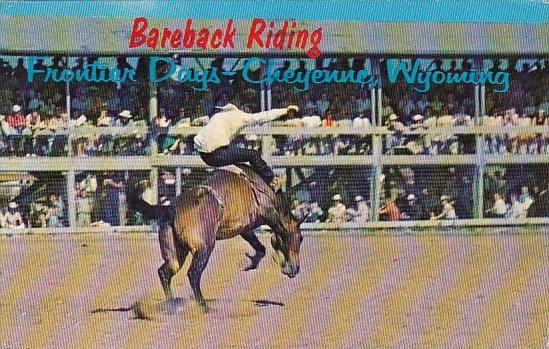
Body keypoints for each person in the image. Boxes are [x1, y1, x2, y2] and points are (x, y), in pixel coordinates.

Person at [194, 103, 299, 192]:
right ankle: (272, 181)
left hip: (204, 156)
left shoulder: (218, 115)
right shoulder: (242, 117)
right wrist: (285, 110)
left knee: (237, 161)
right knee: (253, 154)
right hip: (218, 154)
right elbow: (264, 116)